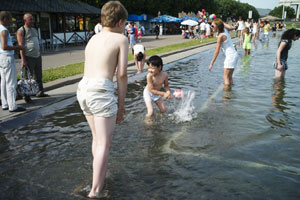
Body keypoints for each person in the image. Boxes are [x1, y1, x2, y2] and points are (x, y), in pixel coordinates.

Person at [76, 1, 128, 198]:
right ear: (120, 22)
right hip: (100, 90)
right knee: (105, 143)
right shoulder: (120, 39)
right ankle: (96, 191)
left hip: (83, 89)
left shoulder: (93, 38)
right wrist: (122, 105)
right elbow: (122, 74)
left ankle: (101, 174)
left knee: (97, 139)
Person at [17, 13, 48, 98]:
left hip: (37, 56)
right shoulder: (21, 30)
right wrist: (23, 59)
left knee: (38, 76)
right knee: (26, 77)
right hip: (28, 56)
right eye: (30, 19)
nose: (32, 21)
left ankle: (40, 92)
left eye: (33, 19)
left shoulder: (34, 30)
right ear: (25, 20)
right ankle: (26, 95)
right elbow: (21, 46)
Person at [0, 11, 26, 112]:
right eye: (10, 19)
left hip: (1, 57)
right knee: (11, 82)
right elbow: (4, 46)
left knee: (3, 81)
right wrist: (18, 47)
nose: (11, 21)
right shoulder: (4, 31)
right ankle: (12, 106)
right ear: (5, 19)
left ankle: (5, 103)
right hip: (7, 57)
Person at [209, 18, 238, 91]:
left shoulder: (220, 36)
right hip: (234, 55)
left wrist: (211, 63)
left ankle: (226, 96)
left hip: (230, 57)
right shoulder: (225, 31)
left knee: (225, 77)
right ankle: (230, 92)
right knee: (230, 77)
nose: (211, 27)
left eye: (212, 26)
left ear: (217, 27)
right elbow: (225, 25)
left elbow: (217, 52)